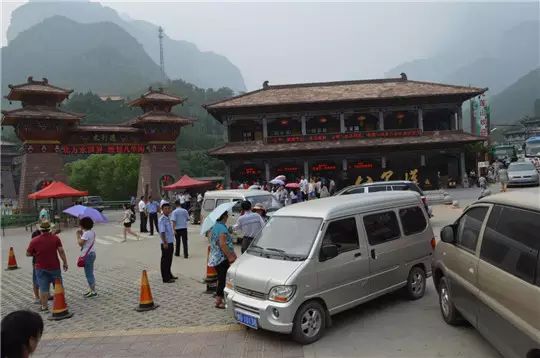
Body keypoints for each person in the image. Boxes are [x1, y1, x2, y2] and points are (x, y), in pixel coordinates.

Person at [26, 221, 68, 312]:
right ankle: (61, 302)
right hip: (54, 266)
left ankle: (44, 306)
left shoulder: (34, 240)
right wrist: (65, 262)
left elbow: (28, 253)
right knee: (58, 285)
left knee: (43, 288)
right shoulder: (55, 238)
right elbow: (61, 251)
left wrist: (36, 253)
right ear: (50, 229)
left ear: (41, 230)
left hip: (40, 267)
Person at [209, 211, 236, 309]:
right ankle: (218, 301)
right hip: (222, 258)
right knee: (222, 279)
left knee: (220, 278)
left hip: (215, 257)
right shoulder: (222, 228)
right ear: (224, 216)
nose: (228, 217)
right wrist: (230, 256)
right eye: (227, 215)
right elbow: (223, 244)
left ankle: (219, 297)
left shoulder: (215, 226)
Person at [76, 217, 97, 298]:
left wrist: (78, 235)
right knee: (90, 272)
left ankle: (93, 291)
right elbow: (86, 242)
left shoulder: (86, 233)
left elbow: (80, 243)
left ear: (83, 225)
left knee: (89, 274)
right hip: (92, 253)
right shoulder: (92, 232)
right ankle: (91, 290)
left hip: (87, 255)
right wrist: (81, 235)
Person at [158, 202, 176, 283]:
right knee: (165, 261)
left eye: (168, 208)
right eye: (165, 209)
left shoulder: (167, 218)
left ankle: (169, 274)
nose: (167, 210)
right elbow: (162, 232)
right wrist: (165, 242)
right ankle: (165, 278)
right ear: (162, 210)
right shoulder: (162, 219)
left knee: (169, 260)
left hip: (170, 242)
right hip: (166, 243)